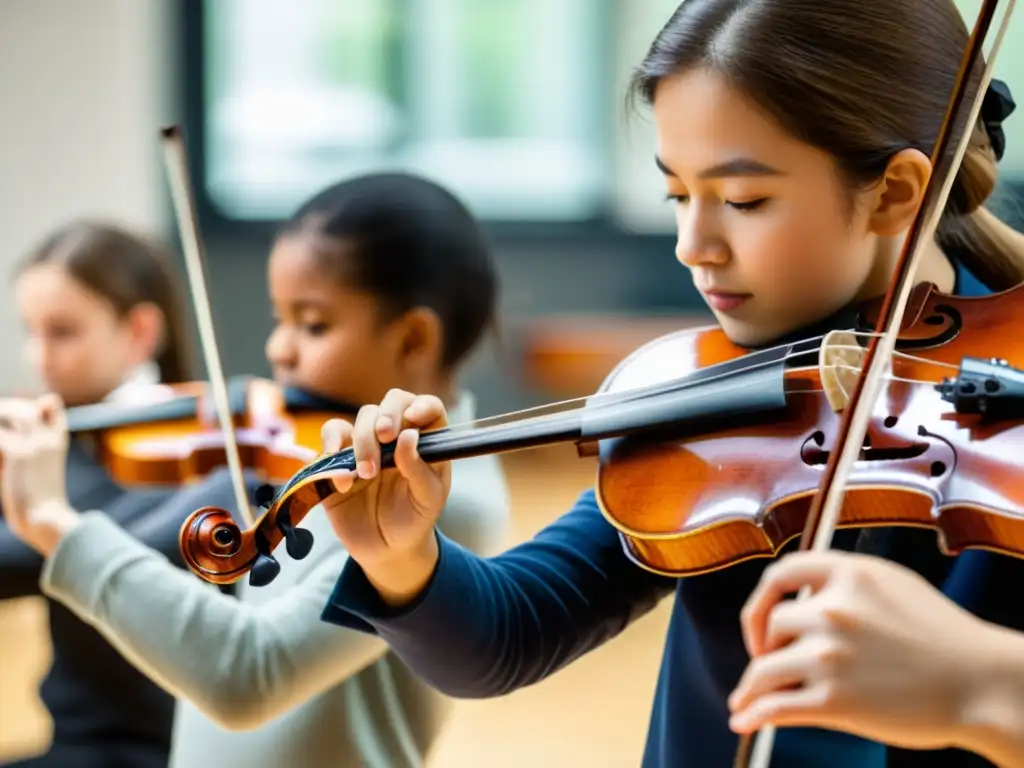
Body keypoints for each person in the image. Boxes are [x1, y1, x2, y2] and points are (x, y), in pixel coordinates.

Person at [310, 2, 1024, 767]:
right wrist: (402, 558)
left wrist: (977, 679)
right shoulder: (724, 392)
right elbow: (504, 638)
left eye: (744, 201)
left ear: (895, 193)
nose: (693, 246)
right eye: (678, 195)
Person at [0, 172, 511, 768]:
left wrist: (53, 521)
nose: (277, 350)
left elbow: (252, 674)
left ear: (414, 338)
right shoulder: (322, 456)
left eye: (312, 323)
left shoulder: (437, 500)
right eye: (280, 318)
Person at [1, 220, 194, 767]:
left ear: (138, 332)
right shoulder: (71, 445)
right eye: (30, 331)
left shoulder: (175, 464)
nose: (39, 357)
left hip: (149, 754)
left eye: (62, 332)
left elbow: (24, 555)